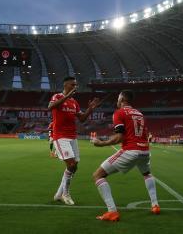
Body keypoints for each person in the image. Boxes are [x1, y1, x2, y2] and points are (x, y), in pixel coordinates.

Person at [91, 90, 160, 222]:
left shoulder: (119, 112)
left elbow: (119, 137)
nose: (117, 100)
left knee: (97, 175)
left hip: (131, 150)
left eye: (118, 97)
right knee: (147, 173)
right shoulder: (139, 113)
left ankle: (112, 212)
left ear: (122, 98)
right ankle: (155, 205)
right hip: (145, 150)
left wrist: (101, 143)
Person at [49, 76, 100, 205]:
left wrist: (90, 109)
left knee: (74, 166)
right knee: (71, 165)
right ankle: (65, 194)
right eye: (73, 85)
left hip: (72, 136)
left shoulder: (74, 103)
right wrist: (66, 97)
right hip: (60, 136)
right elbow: (50, 106)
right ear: (65, 85)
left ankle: (59, 194)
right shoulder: (57, 97)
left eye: (76, 85)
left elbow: (82, 118)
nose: (75, 87)